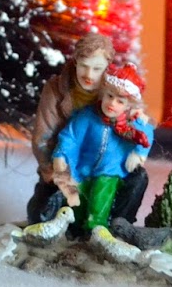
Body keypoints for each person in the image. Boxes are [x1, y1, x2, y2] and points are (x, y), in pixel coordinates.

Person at [27, 34, 149, 226]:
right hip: (67, 162)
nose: (89, 75)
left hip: (105, 163)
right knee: (41, 215)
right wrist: (58, 171)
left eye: (97, 68)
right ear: (75, 61)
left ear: (107, 66)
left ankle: (118, 224)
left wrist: (136, 120)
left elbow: (138, 122)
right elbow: (42, 139)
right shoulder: (55, 89)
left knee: (137, 178)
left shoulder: (113, 88)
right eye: (84, 66)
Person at [51, 62, 153, 243]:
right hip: (83, 169)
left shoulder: (132, 122)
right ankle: (74, 230)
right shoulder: (88, 116)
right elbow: (71, 136)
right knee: (78, 200)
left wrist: (138, 153)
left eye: (120, 101)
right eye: (109, 96)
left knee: (100, 201)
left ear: (128, 106)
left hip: (110, 171)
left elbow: (147, 133)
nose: (112, 103)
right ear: (102, 93)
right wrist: (61, 153)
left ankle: (95, 232)